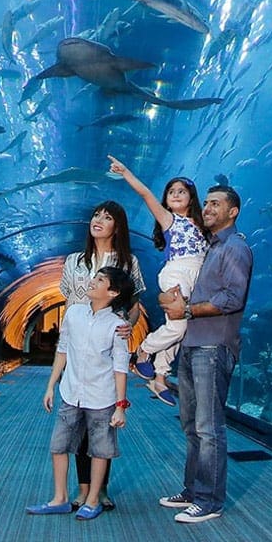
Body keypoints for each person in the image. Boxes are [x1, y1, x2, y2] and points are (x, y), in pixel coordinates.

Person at [158, 184, 253, 523]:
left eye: (216, 203)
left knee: (209, 426)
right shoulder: (210, 248)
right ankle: (192, 491)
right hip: (193, 344)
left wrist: (187, 311)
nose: (208, 208)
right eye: (207, 203)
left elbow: (232, 299)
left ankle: (210, 501)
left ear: (233, 211)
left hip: (213, 345)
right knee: (190, 425)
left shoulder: (235, 248)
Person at [26, 267, 135, 521]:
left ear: (113, 292)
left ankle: (93, 499)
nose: (92, 282)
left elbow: (120, 367)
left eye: (99, 280)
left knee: (100, 449)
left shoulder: (117, 326)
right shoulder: (73, 313)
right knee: (58, 446)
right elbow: (62, 350)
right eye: (94, 277)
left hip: (102, 397)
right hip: (70, 392)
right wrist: (51, 385)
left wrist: (121, 406)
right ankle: (60, 498)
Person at [59, 200, 146, 511]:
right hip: (77, 343)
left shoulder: (128, 263)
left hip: (107, 347)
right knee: (76, 421)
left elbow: (133, 305)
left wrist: (129, 326)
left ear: (117, 227)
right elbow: (69, 300)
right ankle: (83, 489)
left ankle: (101, 488)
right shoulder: (73, 261)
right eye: (96, 214)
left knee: (102, 420)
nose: (98, 220)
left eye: (107, 217)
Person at [108, 155, 207, 407]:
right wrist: (126, 171)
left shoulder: (202, 224)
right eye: (171, 191)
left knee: (179, 330)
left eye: (181, 191)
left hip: (198, 276)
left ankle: (160, 377)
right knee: (178, 327)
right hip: (177, 273)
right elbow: (145, 194)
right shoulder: (169, 219)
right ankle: (144, 349)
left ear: (191, 198)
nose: (175, 194)